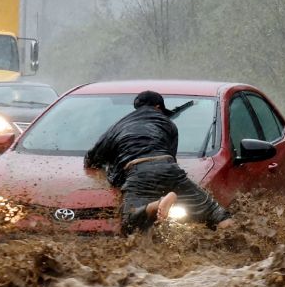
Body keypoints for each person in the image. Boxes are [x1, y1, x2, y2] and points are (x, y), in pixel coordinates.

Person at [84, 90, 234, 234]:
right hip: (169, 168)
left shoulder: (118, 127)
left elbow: (92, 158)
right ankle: (235, 246)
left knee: (128, 223)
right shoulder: (169, 125)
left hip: (139, 172)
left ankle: (157, 204)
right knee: (216, 213)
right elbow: (171, 158)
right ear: (158, 107)